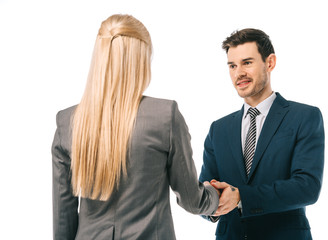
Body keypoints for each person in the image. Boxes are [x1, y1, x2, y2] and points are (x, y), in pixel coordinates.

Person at [51, 14, 220, 240]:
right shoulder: (165, 116)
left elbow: (64, 217)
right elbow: (192, 200)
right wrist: (218, 195)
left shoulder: (68, 121)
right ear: (139, 61)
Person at [199, 28, 325, 240]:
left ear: (270, 63)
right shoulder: (218, 129)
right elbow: (204, 192)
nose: (238, 73)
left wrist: (241, 197)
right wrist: (208, 201)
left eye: (247, 62)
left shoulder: (304, 117)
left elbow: (307, 187)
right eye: (232, 65)